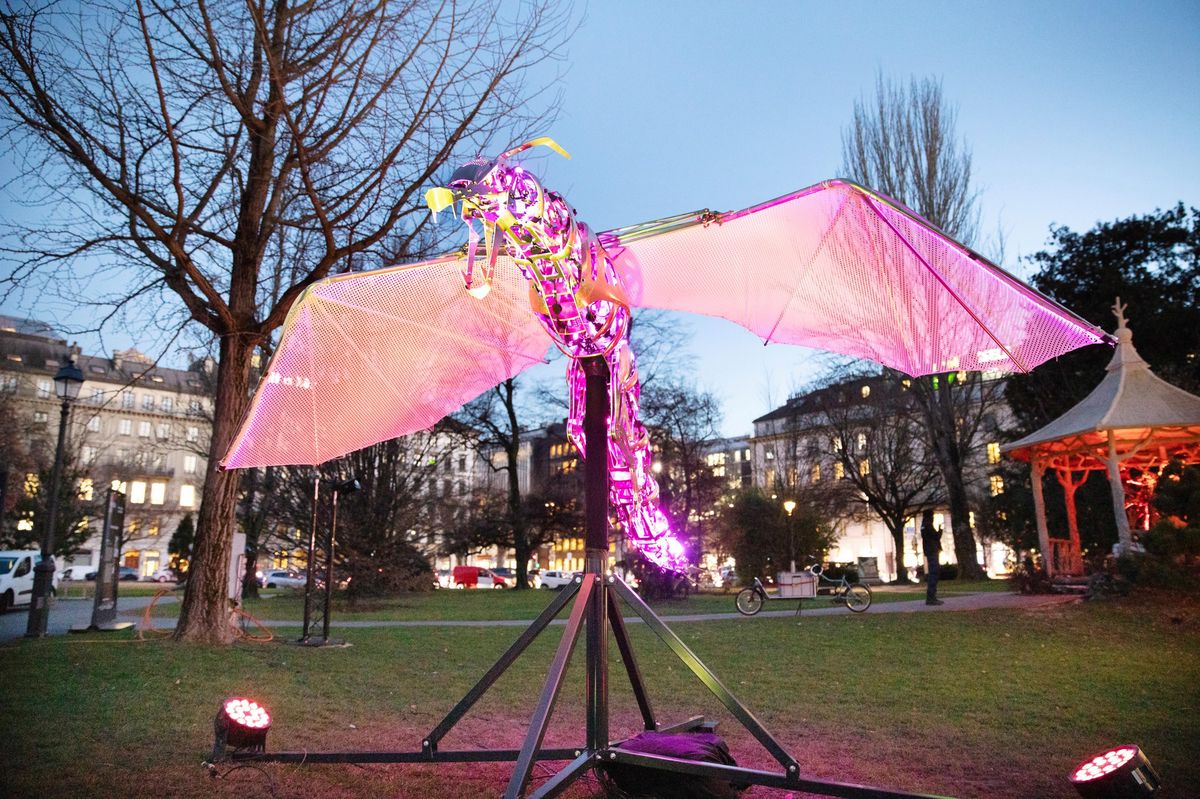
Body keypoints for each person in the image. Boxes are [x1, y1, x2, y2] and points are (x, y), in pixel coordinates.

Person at [920, 509, 944, 606]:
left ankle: (931, 597)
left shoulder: (924, 525)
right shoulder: (928, 525)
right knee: (933, 573)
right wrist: (940, 529)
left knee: (933, 573)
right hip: (932, 550)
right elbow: (936, 536)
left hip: (929, 550)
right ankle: (931, 597)